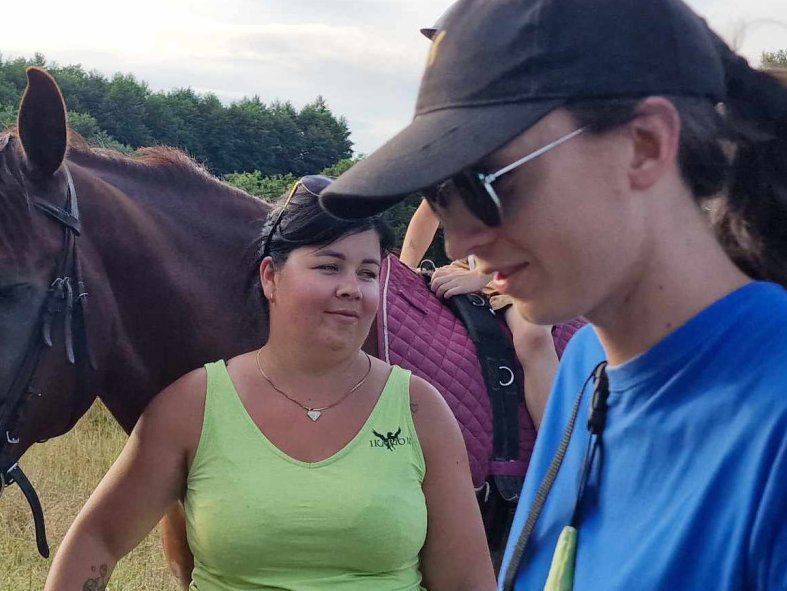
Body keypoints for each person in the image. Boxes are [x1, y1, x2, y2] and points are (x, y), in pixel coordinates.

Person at [322, 0, 787, 590]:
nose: (461, 237)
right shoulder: (586, 372)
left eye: (487, 182)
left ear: (644, 147)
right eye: (442, 191)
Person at [44, 175, 497, 591]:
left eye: (366, 272)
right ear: (270, 277)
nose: (351, 288)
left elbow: (465, 582)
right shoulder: (192, 405)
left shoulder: (419, 408)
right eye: (328, 266)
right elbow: (98, 539)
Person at [399, 197, 561, 427]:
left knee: (532, 337)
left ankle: (563, 452)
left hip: (532, 262)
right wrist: (403, 270)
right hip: (471, 264)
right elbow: (429, 210)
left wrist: (482, 275)